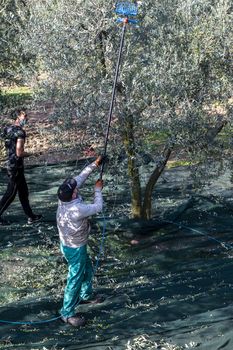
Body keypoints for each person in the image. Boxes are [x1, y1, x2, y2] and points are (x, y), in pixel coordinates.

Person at [57, 156, 105, 327]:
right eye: (75, 189)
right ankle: (67, 313)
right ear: (73, 195)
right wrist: (97, 190)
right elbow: (98, 207)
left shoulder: (63, 196)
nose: (77, 188)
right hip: (75, 248)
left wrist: (95, 164)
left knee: (87, 268)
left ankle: (86, 295)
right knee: (74, 278)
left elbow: (80, 178)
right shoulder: (77, 209)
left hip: (71, 244)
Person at [0, 109, 42, 225]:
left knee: (23, 192)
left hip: (11, 164)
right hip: (15, 167)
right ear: (18, 117)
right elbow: (19, 153)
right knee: (11, 193)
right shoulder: (20, 132)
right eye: (25, 116)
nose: (27, 118)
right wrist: (33, 154)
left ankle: (31, 216)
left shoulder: (7, 129)